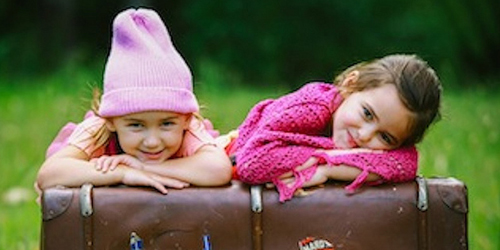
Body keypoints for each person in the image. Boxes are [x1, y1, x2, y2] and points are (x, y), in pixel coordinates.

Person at [36, 8, 232, 196]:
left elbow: (218, 170)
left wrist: (144, 167)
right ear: (111, 120)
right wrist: (123, 172)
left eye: (166, 124)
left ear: (187, 119)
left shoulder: (188, 128)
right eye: (136, 125)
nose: (152, 142)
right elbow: (49, 174)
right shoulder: (97, 129)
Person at [226, 54, 441, 202]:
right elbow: (251, 164)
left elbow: (406, 163)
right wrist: (331, 155)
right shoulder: (311, 106)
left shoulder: (360, 131)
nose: (364, 136)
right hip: (224, 155)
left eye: (385, 137)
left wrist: (327, 169)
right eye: (367, 113)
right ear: (350, 85)